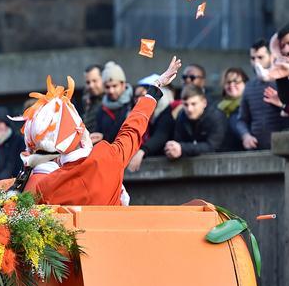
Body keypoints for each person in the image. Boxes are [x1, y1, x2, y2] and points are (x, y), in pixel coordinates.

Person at [17, 56, 181, 205]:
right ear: (81, 134)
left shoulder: (46, 186)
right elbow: (132, 129)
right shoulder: (106, 157)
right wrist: (155, 88)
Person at [236, 38, 289, 150]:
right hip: (258, 149)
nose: (256, 62)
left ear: (272, 57)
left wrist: (283, 104)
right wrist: (246, 136)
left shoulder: (285, 82)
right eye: (253, 58)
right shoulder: (249, 87)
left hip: (285, 147)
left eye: (260, 57)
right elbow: (241, 120)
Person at [126, 74, 175, 173]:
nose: (138, 100)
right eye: (136, 96)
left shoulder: (165, 113)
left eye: (143, 95)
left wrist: (142, 151)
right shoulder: (133, 113)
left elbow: (160, 136)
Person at [164, 84, 227, 160]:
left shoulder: (216, 116)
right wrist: (173, 149)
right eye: (186, 104)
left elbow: (213, 147)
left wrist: (182, 148)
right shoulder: (181, 116)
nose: (189, 109)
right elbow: (179, 141)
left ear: (204, 103)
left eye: (193, 104)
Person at [93, 61, 133, 143]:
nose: (111, 91)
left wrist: (104, 137)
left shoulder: (133, 103)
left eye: (114, 86)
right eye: (107, 87)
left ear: (123, 84)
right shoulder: (102, 109)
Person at [218, 67, 248, 151]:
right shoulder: (219, 108)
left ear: (245, 84)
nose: (231, 85)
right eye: (228, 82)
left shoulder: (250, 105)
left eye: (236, 81)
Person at [81, 64, 104, 133]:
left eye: (94, 81)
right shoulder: (87, 102)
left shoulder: (111, 102)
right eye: (88, 82)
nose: (91, 86)